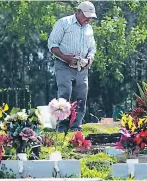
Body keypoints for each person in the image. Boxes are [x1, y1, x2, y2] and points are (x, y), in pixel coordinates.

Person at [48, 1, 96, 132]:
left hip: (82, 67)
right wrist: (65, 57)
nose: (88, 19)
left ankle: (76, 126)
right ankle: (62, 126)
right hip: (64, 65)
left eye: (91, 17)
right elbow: (52, 44)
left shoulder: (89, 29)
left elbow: (92, 48)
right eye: (86, 15)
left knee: (81, 96)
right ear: (78, 12)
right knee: (65, 93)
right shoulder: (64, 23)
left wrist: (90, 58)